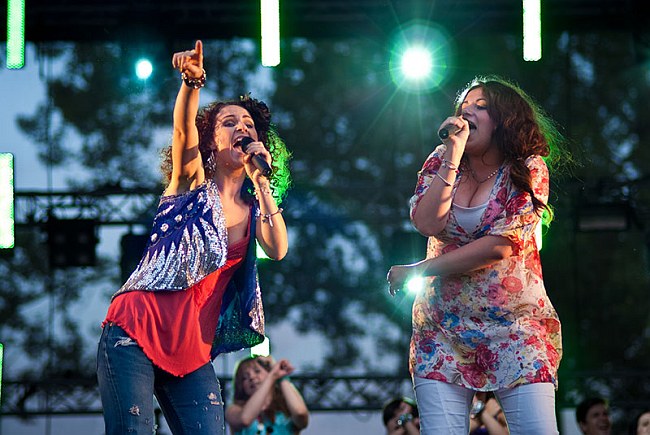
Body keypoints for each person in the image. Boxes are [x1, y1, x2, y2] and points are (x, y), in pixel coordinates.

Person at [96, 40, 291, 435]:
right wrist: (191, 84)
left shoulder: (254, 208)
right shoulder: (191, 184)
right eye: (229, 123)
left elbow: (278, 249)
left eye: (248, 125)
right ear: (211, 141)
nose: (241, 128)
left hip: (191, 350)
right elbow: (183, 129)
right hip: (135, 328)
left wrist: (261, 184)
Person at [386, 75, 568, 435]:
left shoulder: (528, 168)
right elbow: (426, 222)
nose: (467, 112)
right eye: (463, 106)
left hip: (514, 327)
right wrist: (452, 156)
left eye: (480, 106)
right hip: (442, 329)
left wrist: (420, 269)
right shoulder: (442, 159)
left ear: (504, 120)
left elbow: (501, 245)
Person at [226, 355, 309, 434]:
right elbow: (245, 419)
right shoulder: (233, 410)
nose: (251, 377)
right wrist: (271, 377)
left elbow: (300, 413)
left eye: (257, 371)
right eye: (244, 378)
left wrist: (282, 377)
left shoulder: (286, 408)